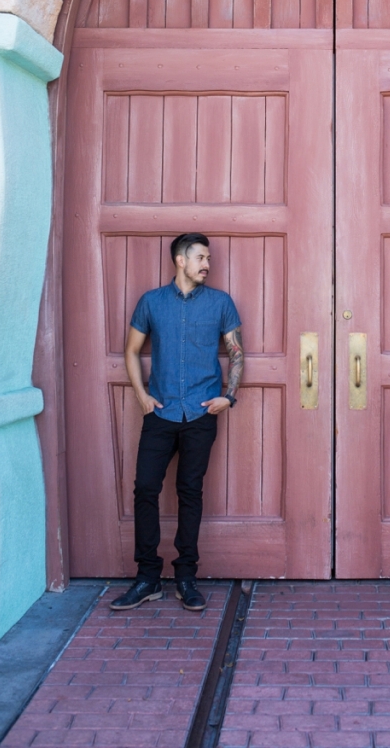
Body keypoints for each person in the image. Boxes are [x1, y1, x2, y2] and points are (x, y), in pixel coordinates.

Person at [110, 233, 243, 612]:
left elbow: (236, 352)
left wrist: (228, 396)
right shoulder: (151, 302)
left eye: (209, 259)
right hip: (161, 412)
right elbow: (132, 350)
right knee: (145, 489)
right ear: (180, 260)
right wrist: (142, 396)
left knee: (190, 492)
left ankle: (186, 577)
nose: (207, 265)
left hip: (201, 413)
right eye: (201, 258)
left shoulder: (220, 303)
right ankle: (148, 578)